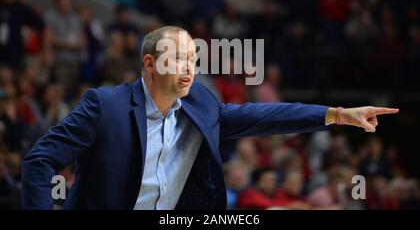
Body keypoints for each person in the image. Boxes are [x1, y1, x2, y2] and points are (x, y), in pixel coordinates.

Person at [21, 26, 399, 210]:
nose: (190, 69)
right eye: (180, 59)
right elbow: (40, 161)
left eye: (194, 61)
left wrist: (335, 114)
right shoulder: (105, 106)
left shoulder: (200, 102)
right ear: (150, 64)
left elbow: (262, 116)